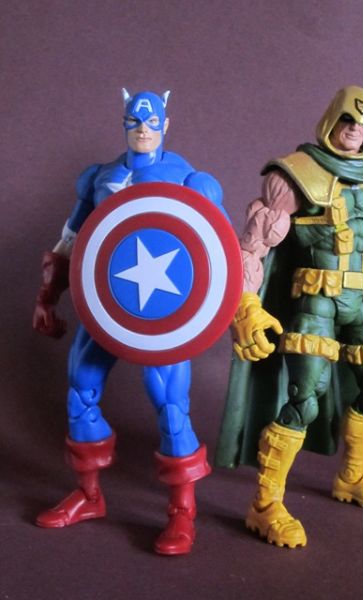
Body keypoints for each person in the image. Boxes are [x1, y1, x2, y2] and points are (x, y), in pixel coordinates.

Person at [216, 85, 363, 548]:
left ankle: (353, 477)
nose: (355, 130)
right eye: (348, 119)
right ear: (332, 119)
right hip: (315, 305)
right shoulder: (295, 174)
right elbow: (252, 247)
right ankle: (265, 504)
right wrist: (245, 305)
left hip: (361, 303)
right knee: (305, 399)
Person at [33, 88, 227, 555]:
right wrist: (47, 297)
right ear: (123, 123)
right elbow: (70, 241)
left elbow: (220, 253)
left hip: (166, 319)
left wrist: (240, 310)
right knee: (80, 390)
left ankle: (182, 511)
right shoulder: (101, 177)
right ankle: (88, 495)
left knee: (171, 407)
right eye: (135, 122)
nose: (143, 130)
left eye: (152, 122)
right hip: (106, 309)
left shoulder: (189, 180)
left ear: (166, 123)